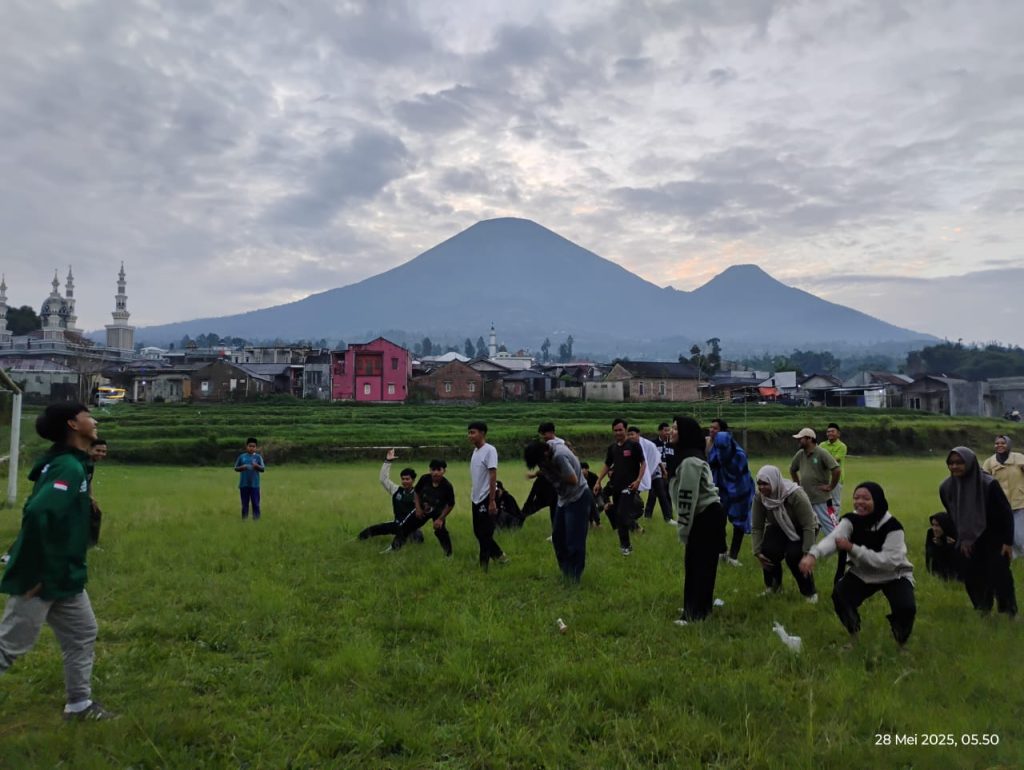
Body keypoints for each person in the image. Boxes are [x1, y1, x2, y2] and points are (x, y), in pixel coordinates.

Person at [0, 402, 116, 720]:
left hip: (65, 574)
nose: (93, 419)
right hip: (41, 576)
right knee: (9, 646)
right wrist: (38, 570)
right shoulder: (68, 467)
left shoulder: (73, 463)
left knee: (82, 631)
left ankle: (79, 705)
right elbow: (39, 512)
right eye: (86, 415)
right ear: (73, 425)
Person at [800, 482, 916, 647]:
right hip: (863, 572)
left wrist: (853, 549)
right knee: (841, 596)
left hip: (894, 574)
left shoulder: (893, 527)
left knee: (906, 607)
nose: (859, 502)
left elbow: (889, 561)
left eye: (866, 498)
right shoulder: (851, 520)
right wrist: (813, 554)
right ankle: (854, 636)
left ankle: (901, 643)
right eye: (856, 498)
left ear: (877, 500)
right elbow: (835, 538)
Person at [939, 447, 1017, 617]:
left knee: (1000, 575)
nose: (955, 467)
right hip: (967, 540)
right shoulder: (946, 487)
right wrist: (959, 537)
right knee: (973, 576)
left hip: (993, 536)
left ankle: (1008, 611)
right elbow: (952, 515)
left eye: (959, 463)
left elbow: (1005, 513)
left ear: (970, 463)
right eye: (951, 463)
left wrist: (1008, 542)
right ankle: (983, 609)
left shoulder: (988, 484)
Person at [669, 417, 727, 625]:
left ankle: (695, 614)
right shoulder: (687, 457)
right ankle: (697, 607)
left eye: (676, 428)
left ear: (686, 433)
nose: (671, 431)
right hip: (704, 516)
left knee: (699, 566)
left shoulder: (690, 461)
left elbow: (687, 498)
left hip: (705, 517)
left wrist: (683, 530)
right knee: (698, 565)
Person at [524, 439, 591, 581]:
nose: (540, 465)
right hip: (563, 498)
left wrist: (554, 473)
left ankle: (574, 577)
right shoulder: (546, 453)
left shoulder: (559, 456)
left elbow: (573, 479)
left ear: (546, 453)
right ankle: (566, 573)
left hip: (577, 497)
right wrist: (537, 473)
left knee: (574, 540)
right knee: (558, 537)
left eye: (541, 461)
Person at [751, 465, 819, 602]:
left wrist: (808, 551)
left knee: (795, 556)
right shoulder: (760, 498)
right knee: (768, 551)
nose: (761, 487)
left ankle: (809, 593)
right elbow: (757, 527)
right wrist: (757, 551)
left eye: (765, 483)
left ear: (774, 482)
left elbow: (808, 525)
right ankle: (773, 587)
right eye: (759, 484)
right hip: (778, 525)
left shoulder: (795, 495)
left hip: (804, 527)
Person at [594, 418, 647, 556]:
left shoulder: (634, 446)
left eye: (620, 430)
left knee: (621, 514)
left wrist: (638, 480)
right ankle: (625, 546)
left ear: (625, 430)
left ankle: (626, 546)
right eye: (615, 430)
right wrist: (598, 481)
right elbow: (607, 465)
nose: (618, 432)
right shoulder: (612, 448)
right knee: (619, 516)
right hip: (616, 486)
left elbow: (643, 463)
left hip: (629, 486)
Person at [357, 449, 423, 546]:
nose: (405, 481)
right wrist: (388, 462)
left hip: (411, 527)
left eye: (407, 479)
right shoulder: (396, 490)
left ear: (413, 480)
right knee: (373, 530)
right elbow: (384, 480)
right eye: (403, 479)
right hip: (397, 524)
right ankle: (358, 539)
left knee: (416, 539)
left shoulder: (418, 494)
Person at [708, 429, 753, 567]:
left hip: (740, 492)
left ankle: (733, 556)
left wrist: (738, 497)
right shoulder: (714, 453)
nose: (721, 452)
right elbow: (711, 469)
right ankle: (722, 550)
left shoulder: (739, 456)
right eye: (719, 448)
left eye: (724, 448)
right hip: (721, 490)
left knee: (739, 522)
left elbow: (743, 480)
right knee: (717, 520)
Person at [468, 422, 507, 569]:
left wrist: (492, 500)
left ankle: (483, 566)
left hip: (487, 497)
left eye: (473, 432)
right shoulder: (476, 451)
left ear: (482, 433)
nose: (470, 436)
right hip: (476, 497)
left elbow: (493, 475)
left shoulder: (490, 450)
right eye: (469, 433)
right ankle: (499, 556)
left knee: (485, 533)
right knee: (478, 532)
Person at [789, 428, 840, 535]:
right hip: (806, 499)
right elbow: (792, 469)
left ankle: (843, 549)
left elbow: (836, 469)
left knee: (833, 527)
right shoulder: (800, 454)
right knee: (808, 527)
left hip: (822, 499)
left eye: (800, 438)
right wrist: (798, 485)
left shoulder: (821, 453)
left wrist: (831, 486)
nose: (798, 440)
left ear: (809, 439)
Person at [981, 435, 1024, 559]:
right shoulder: (990, 462)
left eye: (1003, 443)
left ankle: (1020, 558)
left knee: (1019, 535)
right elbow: (984, 480)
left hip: (1019, 502)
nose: (999, 445)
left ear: (1009, 445)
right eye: (997, 443)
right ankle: (1012, 558)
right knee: (1005, 535)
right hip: (1000, 505)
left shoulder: (1019, 458)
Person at [631, 426, 672, 524]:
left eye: (632, 434)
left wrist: (663, 471)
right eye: (628, 435)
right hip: (639, 472)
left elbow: (657, 457)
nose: (630, 437)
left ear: (638, 434)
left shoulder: (648, 444)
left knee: (661, 493)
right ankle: (639, 515)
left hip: (654, 470)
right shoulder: (629, 445)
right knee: (634, 492)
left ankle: (668, 518)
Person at [233, 437, 265, 521]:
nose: (252, 448)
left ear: (256, 447)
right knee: (244, 504)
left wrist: (256, 466)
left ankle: (256, 520)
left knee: (255, 503)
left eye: (254, 446)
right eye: (250, 446)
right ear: (246, 446)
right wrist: (242, 467)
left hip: (255, 485)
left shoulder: (258, 457)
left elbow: (263, 469)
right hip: (244, 484)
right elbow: (235, 468)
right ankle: (244, 520)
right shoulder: (242, 457)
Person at [84, 438, 107, 547]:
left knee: (95, 513)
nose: (101, 454)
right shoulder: (83, 463)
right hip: (75, 496)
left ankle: (90, 544)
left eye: (103, 451)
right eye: (98, 450)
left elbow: (89, 481)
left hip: (84, 495)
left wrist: (91, 497)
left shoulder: (90, 464)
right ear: (89, 449)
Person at [925, 513, 960, 581]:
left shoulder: (955, 533)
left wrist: (952, 546)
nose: (934, 528)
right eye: (933, 525)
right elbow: (928, 556)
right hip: (938, 568)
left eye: (937, 526)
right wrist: (937, 546)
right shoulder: (931, 533)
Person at [821, 423, 848, 511]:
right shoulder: (822, 445)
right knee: (823, 501)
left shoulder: (842, 446)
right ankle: (825, 522)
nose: (830, 433)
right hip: (823, 478)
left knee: (835, 502)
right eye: (828, 432)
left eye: (832, 431)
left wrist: (821, 459)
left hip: (836, 478)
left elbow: (834, 461)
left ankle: (835, 523)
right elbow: (816, 459)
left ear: (838, 434)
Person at [580, 462, 603, 527]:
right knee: (588, 508)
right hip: (586, 496)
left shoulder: (593, 476)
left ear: (587, 469)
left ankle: (594, 517)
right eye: (581, 469)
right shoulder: (579, 478)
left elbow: (599, 487)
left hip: (596, 494)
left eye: (583, 468)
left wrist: (596, 491)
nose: (582, 470)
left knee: (601, 505)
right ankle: (592, 521)